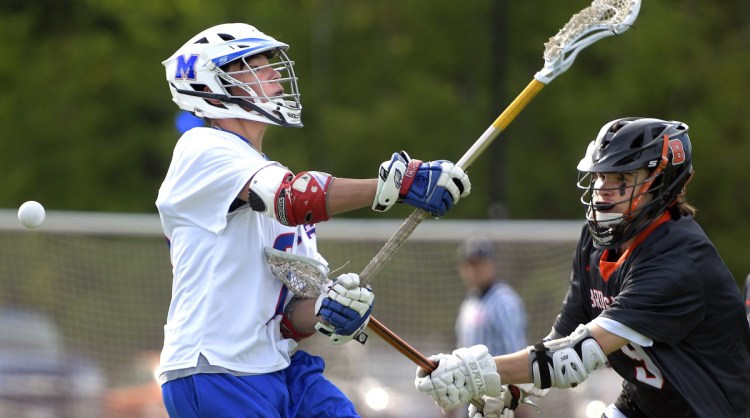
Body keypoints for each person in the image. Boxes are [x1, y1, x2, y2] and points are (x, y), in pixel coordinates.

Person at [155, 23, 471, 418]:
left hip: (281, 368)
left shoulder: (266, 170)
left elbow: (288, 318)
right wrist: (396, 184)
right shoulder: (201, 148)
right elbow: (294, 198)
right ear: (208, 86)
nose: (269, 72)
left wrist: (327, 309)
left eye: (267, 62)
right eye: (248, 65)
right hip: (217, 369)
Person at [413, 117, 750, 418]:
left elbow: (579, 354)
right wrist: (518, 389)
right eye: (601, 176)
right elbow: (565, 335)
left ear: (661, 182)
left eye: (620, 178)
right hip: (646, 403)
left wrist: (479, 371)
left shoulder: (678, 259)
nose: (602, 190)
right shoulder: (596, 241)